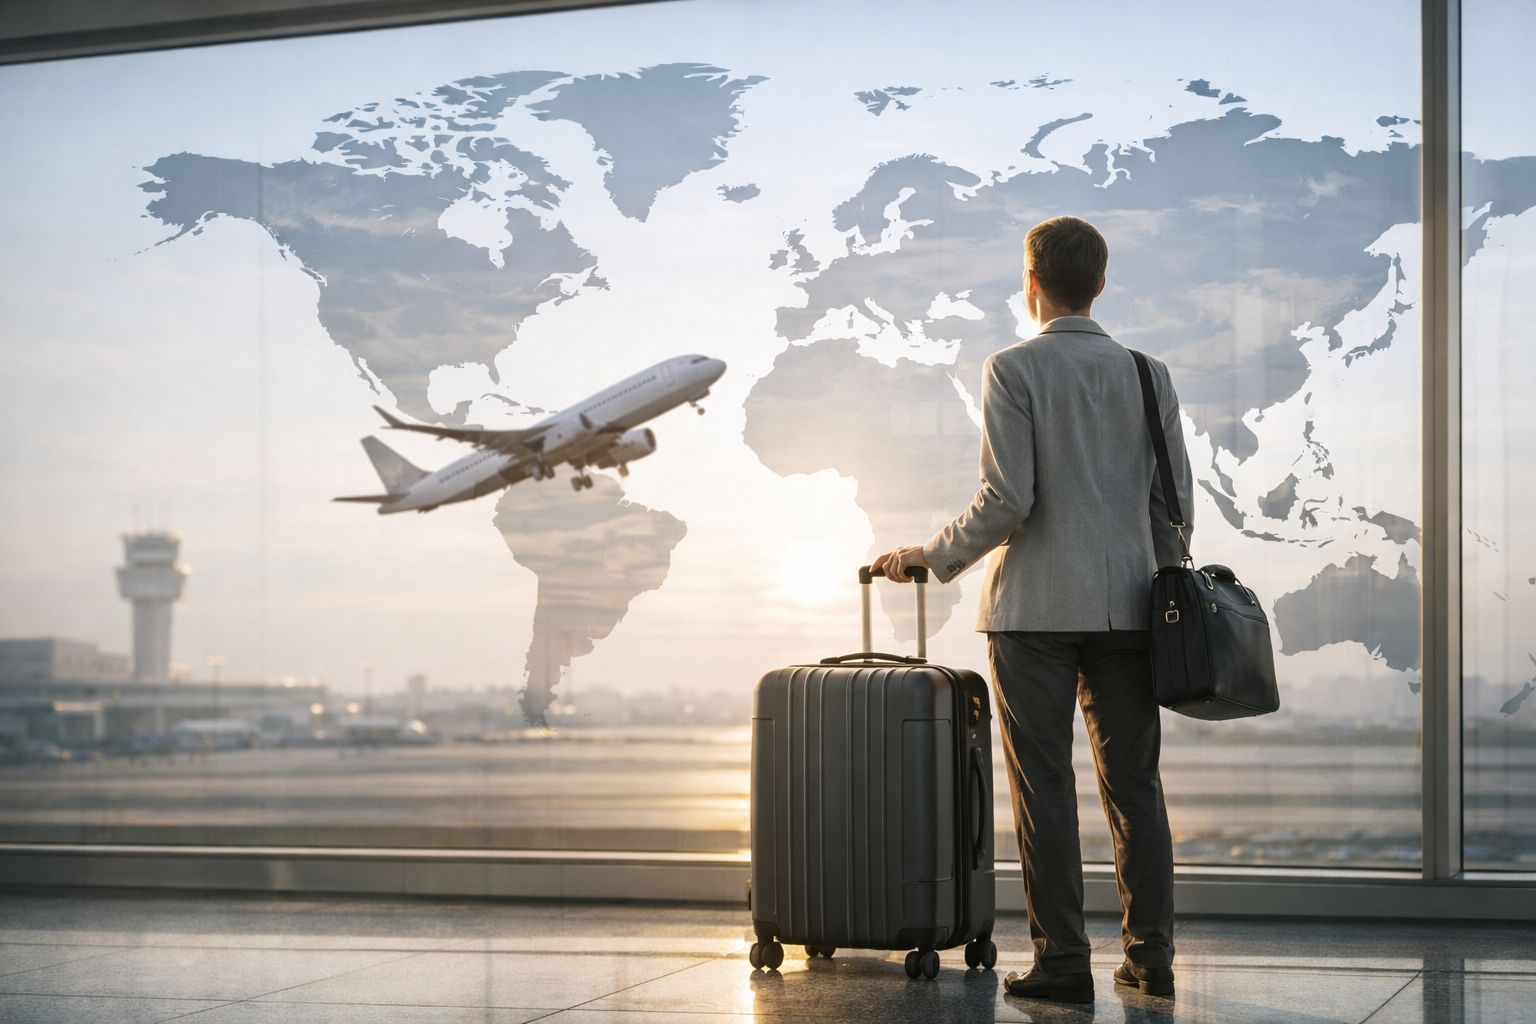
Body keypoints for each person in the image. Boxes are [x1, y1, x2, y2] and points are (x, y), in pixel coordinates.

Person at [872, 215, 1192, 1003]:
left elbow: (1008, 499)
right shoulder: (1150, 375)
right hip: (1129, 608)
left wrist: (932, 554)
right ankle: (1149, 953)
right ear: (1102, 284)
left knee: (1044, 788)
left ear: (1032, 284)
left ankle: (1062, 962)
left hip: (1034, 613)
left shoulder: (1012, 369)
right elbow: (1173, 507)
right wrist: (1159, 578)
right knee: (1134, 786)